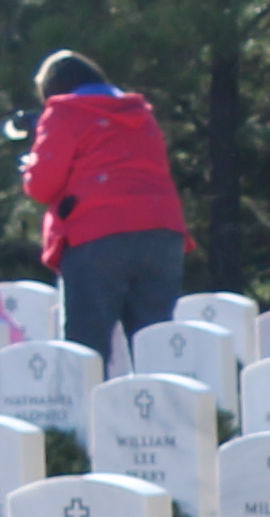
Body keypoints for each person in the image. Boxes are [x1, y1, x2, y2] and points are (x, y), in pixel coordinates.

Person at [15, 51, 187, 363]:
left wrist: (30, 165)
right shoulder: (141, 113)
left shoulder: (65, 112)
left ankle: (86, 412)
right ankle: (163, 409)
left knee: (86, 351)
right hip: (163, 233)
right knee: (156, 347)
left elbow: (42, 186)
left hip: (98, 235)